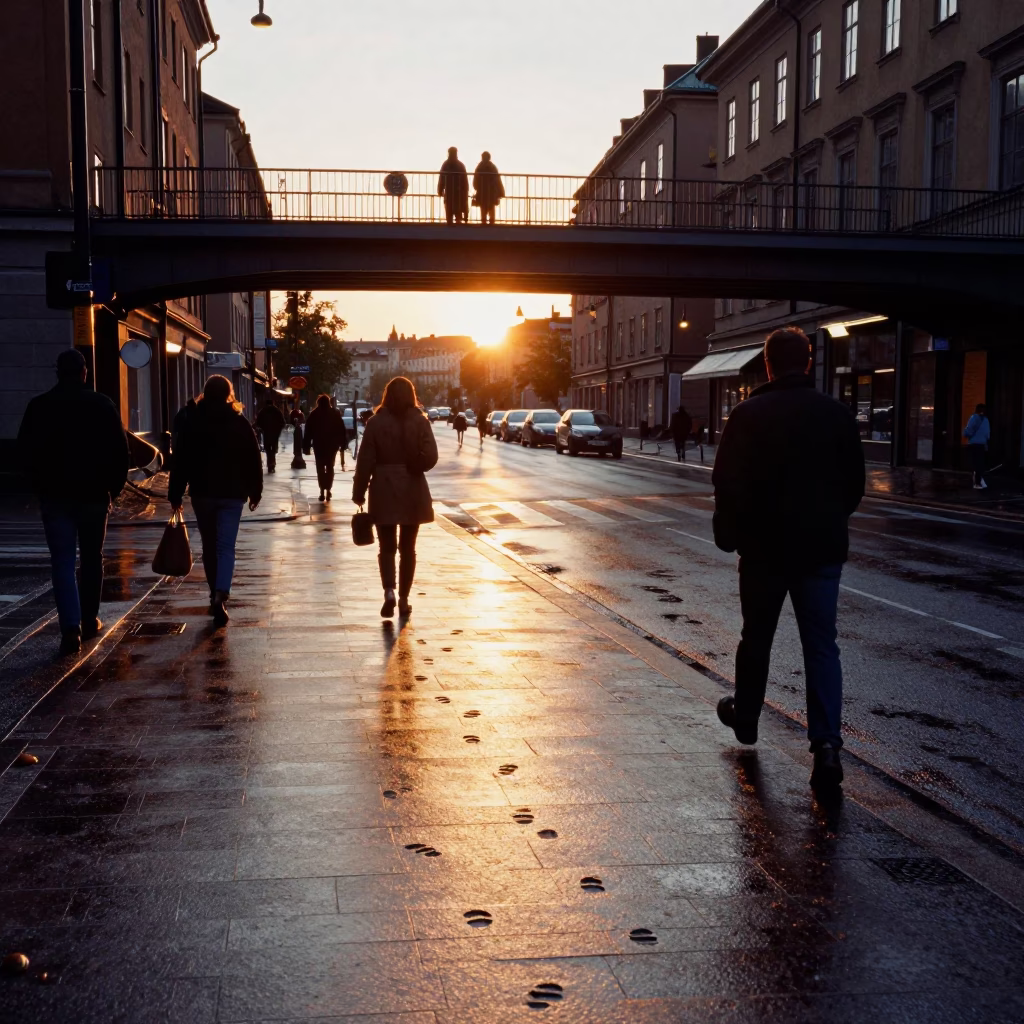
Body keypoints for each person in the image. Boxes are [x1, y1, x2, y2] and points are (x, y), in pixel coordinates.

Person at [711, 327, 865, 793]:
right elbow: (853, 486)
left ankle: (747, 717)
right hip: (820, 549)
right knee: (821, 646)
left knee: (756, 635)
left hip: (762, 549)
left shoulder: (747, 414)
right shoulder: (837, 415)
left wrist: (729, 533)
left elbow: (727, 482)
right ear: (810, 362)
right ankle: (827, 747)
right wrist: (827, 519)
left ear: (768, 365)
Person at [17, 349, 130, 655]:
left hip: (55, 497)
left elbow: (25, 453)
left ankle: (70, 627)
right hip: (93, 496)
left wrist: (37, 488)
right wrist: (113, 490)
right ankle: (89, 617)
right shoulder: (102, 404)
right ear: (84, 372)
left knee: (63, 563)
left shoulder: (39, 406)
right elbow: (121, 453)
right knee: (92, 557)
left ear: (58, 372)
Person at [169, 375, 263, 627]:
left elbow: (181, 460)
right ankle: (222, 590)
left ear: (205, 393)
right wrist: (256, 490)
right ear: (228, 394)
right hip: (233, 494)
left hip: (203, 493)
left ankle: (214, 594)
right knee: (226, 546)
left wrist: (175, 493)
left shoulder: (193, 420)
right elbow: (253, 458)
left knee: (209, 545)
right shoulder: (238, 421)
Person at [352, 376, 438, 618]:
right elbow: (431, 455)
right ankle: (404, 599)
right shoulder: (420, 421)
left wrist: (359, 493)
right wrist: (414, 463)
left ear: (386, 395)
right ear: (411, 394)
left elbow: (365, 461)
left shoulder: (376, 423)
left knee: (386, 546)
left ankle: (389, 590)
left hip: (383, 488)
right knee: (408, 548)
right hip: (413, 489)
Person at [303, 393, 348, 502]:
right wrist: (343, 444)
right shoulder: (335, 413)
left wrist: (306, 446)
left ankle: (322, 491)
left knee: (320, 468)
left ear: (318, 403)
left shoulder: (314, 414)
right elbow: (342, 429)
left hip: (319, 445)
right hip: (332, 446)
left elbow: (308, 431)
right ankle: (328, 489)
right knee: (330, 467)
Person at [438, 147, 469, 225]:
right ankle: (457, 226)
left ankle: (451, 225)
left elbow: (441, 178)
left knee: (450, 211)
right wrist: (465, 191)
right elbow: (465, 181)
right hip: (457, 193)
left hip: (452, 192)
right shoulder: (460, 165)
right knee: (457, 211)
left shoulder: (446, 165)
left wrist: (440, 189)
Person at [963, 403, 990, 490]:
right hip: (982, 444)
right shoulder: (986, 420)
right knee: (980, 463)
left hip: (973, 444)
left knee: (973, 463)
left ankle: (976, 482)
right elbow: (987, 435)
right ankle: (979, 481)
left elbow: (968, 431)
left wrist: (965, 434)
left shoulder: (973, 418)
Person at [255, 397, 286, 474]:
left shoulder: (263, 411)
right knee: (274, 449)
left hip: (266, 433)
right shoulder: (277, 411)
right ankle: (272, 463)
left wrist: (262, 429)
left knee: (268, 449)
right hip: (275, 433)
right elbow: (283, 422)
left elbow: (258, 422)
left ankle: (270, 464)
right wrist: (278, 430)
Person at [473, 152, 505, 225]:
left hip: (482, 192)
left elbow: (475, 180)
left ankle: (484, 221)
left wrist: (476, 187)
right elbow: (497, 180)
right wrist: (501, 191)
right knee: (491, 208)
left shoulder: (479, 167)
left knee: (483, 208)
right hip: (491, 192)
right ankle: (491, 222)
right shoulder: (492, 167)